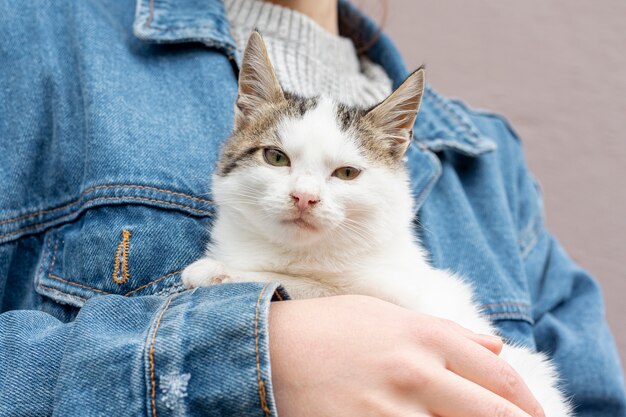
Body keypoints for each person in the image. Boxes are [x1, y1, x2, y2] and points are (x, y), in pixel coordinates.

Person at [0, 0, 624, 416]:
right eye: (277, 160)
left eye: (347, 171)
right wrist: (245, 356)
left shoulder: (490, 159)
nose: (304, 193)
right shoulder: (31, 38)